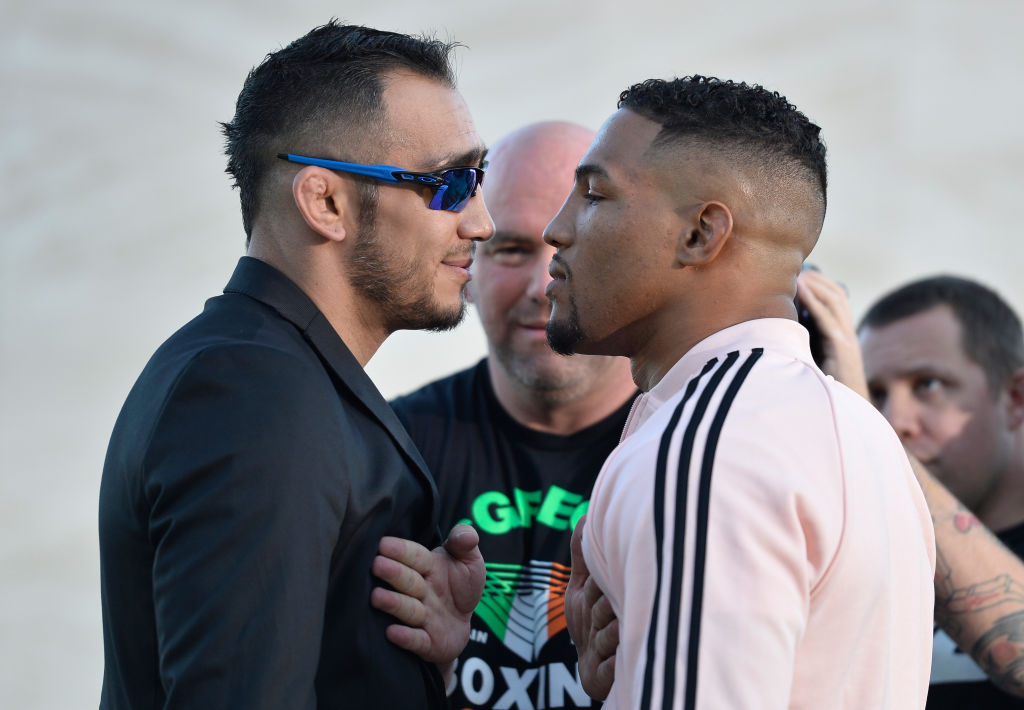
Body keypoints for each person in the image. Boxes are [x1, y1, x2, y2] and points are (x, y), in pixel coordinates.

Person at [97, 22, 491, 709]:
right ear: (326, 201)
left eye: (479, 179)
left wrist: (431, 668)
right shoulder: (251, 394)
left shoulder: (278, 375)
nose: (481, 221)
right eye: (452, 184)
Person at [546, 76, 935, 708]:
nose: (555, 229)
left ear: (701, 234)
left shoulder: (707, 448)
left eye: (594, 195)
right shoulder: (860, 431)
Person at [387, 121, 638, 709]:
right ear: (467, 268)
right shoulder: (393, 448)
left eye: (570, 245)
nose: (540, 284)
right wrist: (433, 675)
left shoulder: (690, 452)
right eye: (512, 249)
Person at [844, 274, 1024, 707]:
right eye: (875, 394)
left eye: (928, 384)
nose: (893, 419)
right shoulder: (863, 556)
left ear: (1016, 398)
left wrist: (876, 444)